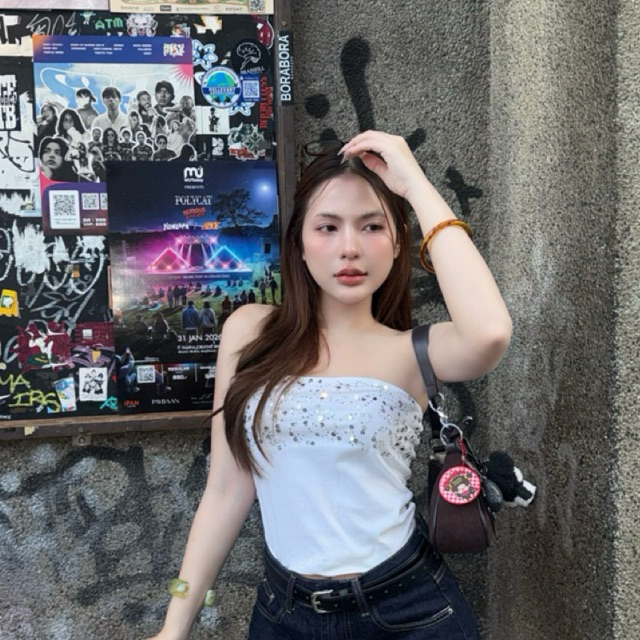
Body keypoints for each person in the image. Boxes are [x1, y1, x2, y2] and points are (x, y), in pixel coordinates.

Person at [147, 130, 512, 640]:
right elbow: (227, 490)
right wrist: (174, 626)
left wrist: (414, 185)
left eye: (372, 226)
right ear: (299, 243)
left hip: (410, 612)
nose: (350, 248)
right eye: (328, 227)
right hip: (283, 616)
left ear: (397, 243)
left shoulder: (413, 351)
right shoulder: (249, 332)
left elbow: (490, 332)